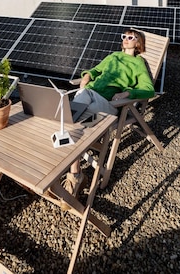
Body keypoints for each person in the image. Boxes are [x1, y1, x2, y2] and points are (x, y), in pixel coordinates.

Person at [61, 28, 154, 206]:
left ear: (138, 43)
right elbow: (96, 70)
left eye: (131, 37)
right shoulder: (113, 56)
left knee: (77, 123)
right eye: (124, 36)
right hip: (90, 95)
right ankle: (75, 174)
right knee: (75, 120)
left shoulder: (137, 63)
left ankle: (72, 174)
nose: (126, 39)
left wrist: (128, 93)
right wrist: (87, 75)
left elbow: (149, 89)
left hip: (108, 106)